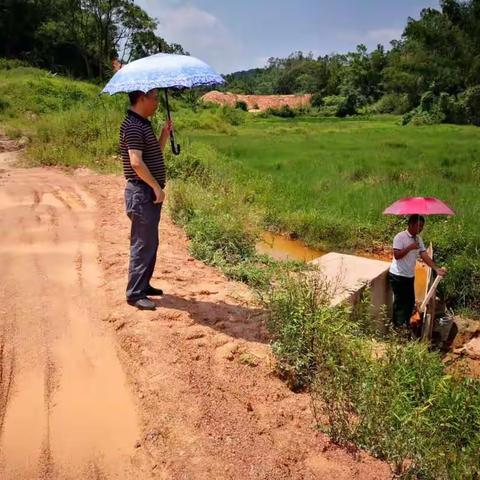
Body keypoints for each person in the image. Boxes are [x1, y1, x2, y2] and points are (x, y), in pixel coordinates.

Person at [120, 88, 172, 310]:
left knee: (150, 241)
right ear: (142, 98)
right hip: (142, 193)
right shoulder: (133, 125)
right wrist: (155, 187)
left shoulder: (142, 124)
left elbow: (152, 155)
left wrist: (164, 135)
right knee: (142, 243)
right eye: (154, 98)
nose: (157, 103)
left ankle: (143, 284)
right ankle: (135, 293)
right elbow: (136, 163)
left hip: (147, 193)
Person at [388, 214, 447, 328]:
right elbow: (397, 255)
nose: (420, 229)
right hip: (398, 276)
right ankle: (398, 329)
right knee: (400, 303)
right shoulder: (400, 237)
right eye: (418, 226)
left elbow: (424, 255)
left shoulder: (418, 239)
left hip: (409, 276)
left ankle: (405, 325)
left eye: (422, 226)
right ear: (410, 224)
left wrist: (435, 269)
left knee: (410, 303)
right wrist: (410, 247)